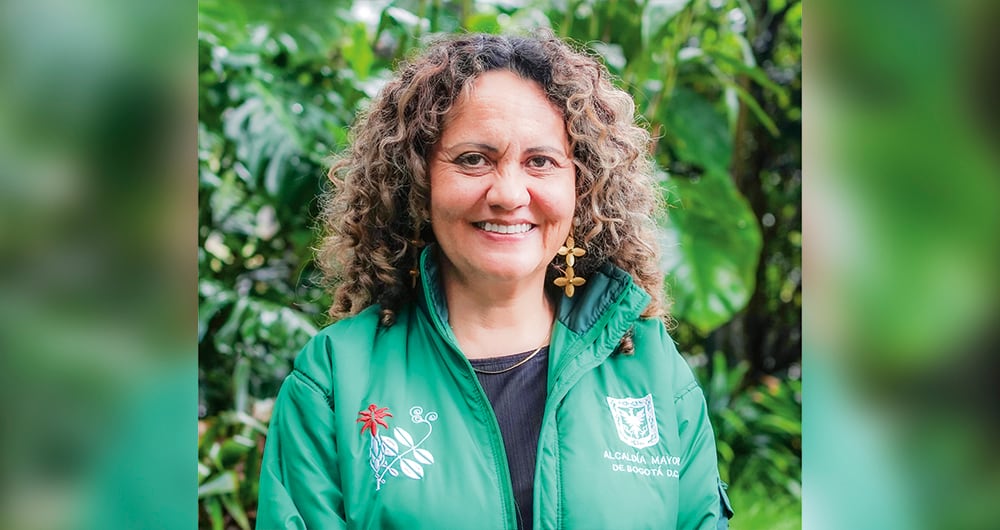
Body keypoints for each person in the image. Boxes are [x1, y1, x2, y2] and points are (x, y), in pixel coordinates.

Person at [256, 32, 734, 530]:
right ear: (418, 182)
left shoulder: (653, 371)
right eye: (473, 159)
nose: (508, 194)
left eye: (540, 161)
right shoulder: (336, 377)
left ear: (582, 187)